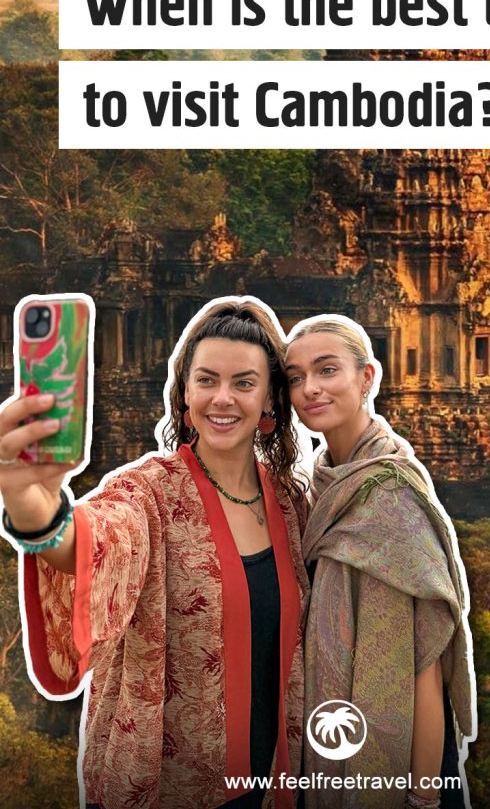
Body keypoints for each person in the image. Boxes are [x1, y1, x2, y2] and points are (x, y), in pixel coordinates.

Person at [0, 297, 310, 809]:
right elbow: (99, 539)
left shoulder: (290, 503)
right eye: (206, 380)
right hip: (170, 791)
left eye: (244, 383)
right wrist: (35, 509)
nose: (222, 398)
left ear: (270, 401)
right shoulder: (149, 493)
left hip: (278, 785)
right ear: (185, 392)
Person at [284, 316, 475, 809]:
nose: (310, 388)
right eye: (295, 377)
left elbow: (425, 661)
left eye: (327, 370)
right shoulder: (316, 485)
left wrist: (423, 796)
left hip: (408, 764)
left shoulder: (392, 494)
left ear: (367, 377)